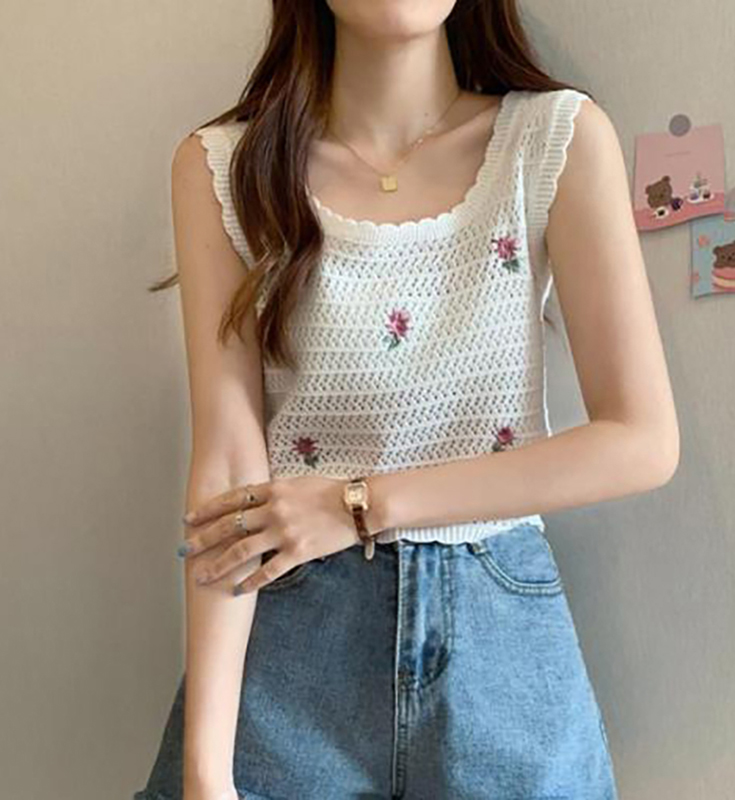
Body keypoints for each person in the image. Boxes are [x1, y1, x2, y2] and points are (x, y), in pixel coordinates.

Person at [137, 1, 680, 798]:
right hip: (288, 638)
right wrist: (206, 773)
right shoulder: (224, 166)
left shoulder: (552, 140)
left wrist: (357, 503)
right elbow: (227, 473)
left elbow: (641, 440)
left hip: (499, 641)